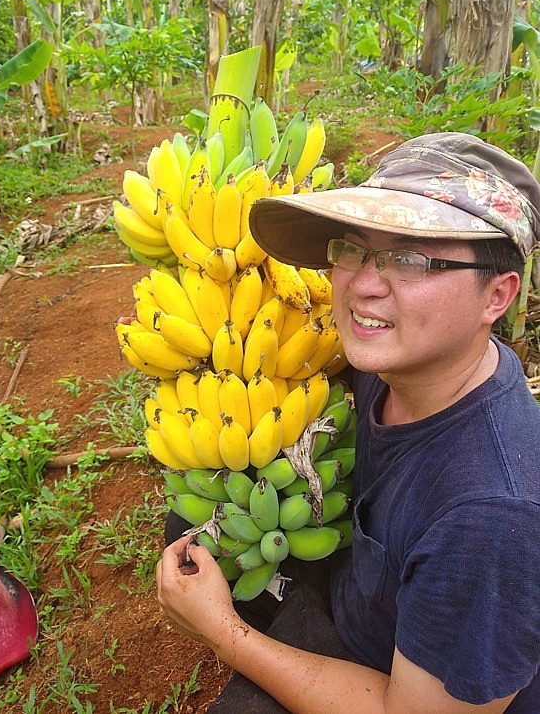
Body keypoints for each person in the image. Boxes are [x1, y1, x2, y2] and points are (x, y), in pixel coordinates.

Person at [156, 132, 540, 714]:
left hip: (393, 684)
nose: (363, 284)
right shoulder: (406, 359)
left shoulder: (489, 517)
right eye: (353, 248)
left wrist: (222, 632)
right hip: (361, 596)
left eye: (411, 258)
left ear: (497, 296)